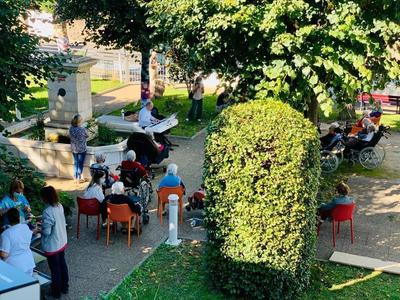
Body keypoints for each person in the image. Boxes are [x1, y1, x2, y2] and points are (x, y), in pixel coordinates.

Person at [40, 186, 69, 299]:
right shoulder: (59, 206)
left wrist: (39, 229)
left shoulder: (47, 211)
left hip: (52, 244)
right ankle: (64, 287)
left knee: (55, 269)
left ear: (45, 198)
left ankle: (56, 293)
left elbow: (47, 232)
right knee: (62, 264)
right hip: (61, 240)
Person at [0, 208, 35, 276]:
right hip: (28, 262)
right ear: (19, 217)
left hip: (15, 266)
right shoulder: (25, 227)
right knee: (29, 285)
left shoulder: (6, 234)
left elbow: (4, 254)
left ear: (7, 219)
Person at [69, 114, 88, 183]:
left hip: (74, 148)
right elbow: (87, 135)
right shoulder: (82, 129)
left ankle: (75, 177)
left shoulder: (71, 128)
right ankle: (79, 178)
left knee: (76, 163)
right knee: (80, 164)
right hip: (81, 149)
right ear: (79, 121)